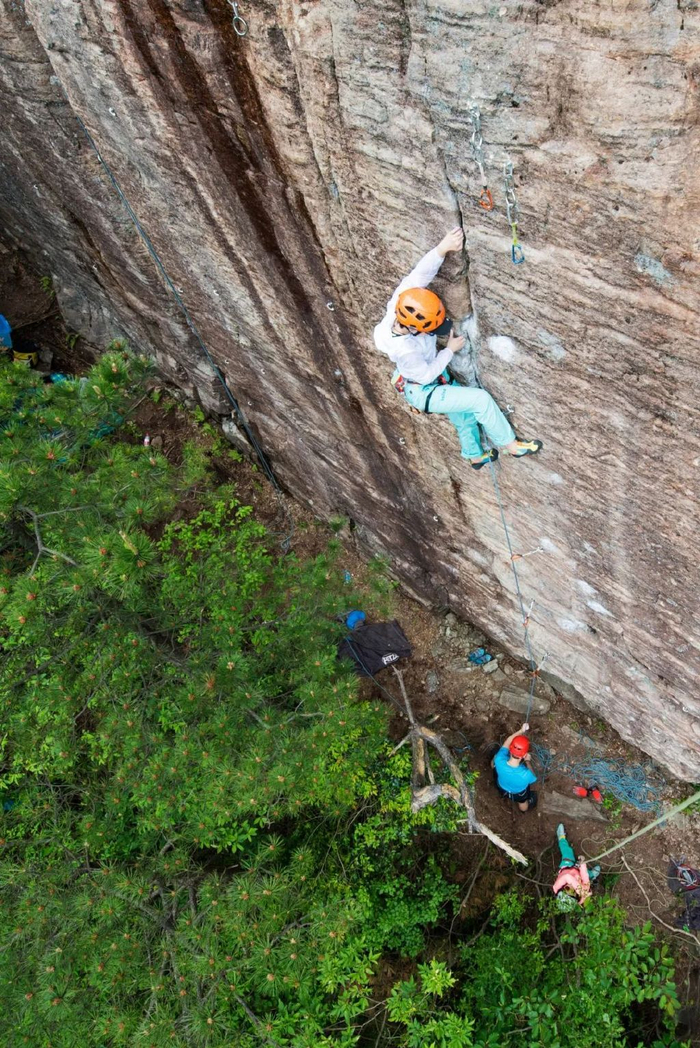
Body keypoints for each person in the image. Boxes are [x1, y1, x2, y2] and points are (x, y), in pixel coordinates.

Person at [373, 228, 542, 470]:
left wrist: (442, 248)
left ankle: (475, 457)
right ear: (413, 329)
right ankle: (511, 445)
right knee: (479, 401)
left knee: (463, 415)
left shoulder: (401, 303)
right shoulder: (406, 351)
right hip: (424, 388)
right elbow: (425, 375)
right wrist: (449, 350)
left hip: (420, 380)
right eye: (429, 329)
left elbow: (419, 274)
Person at [552, 823, 600, 910]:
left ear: (561, 889)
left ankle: (561, 837)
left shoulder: (556, 887)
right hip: (580, 875)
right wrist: (582, 865)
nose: (570, 887)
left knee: (566, 851)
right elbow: (585, 879)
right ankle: (592, 875)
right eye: (572, 892)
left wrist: (578, 889)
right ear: (576, 897)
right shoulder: (583, 892)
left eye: (566, 889)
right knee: (587, 876)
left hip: (567, 867)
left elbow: (567, 877)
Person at [492, 722, 537, 811]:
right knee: (523, 802)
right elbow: (533, 777)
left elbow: (507, 742)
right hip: (518, 794)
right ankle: (525, 809)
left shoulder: (499, 760)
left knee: (494, 759)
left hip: (501, 786)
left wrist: (521, 731)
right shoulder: (526, 774)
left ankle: (492, 766)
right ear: (524, 755)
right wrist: (527, 761)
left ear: (510, 750)